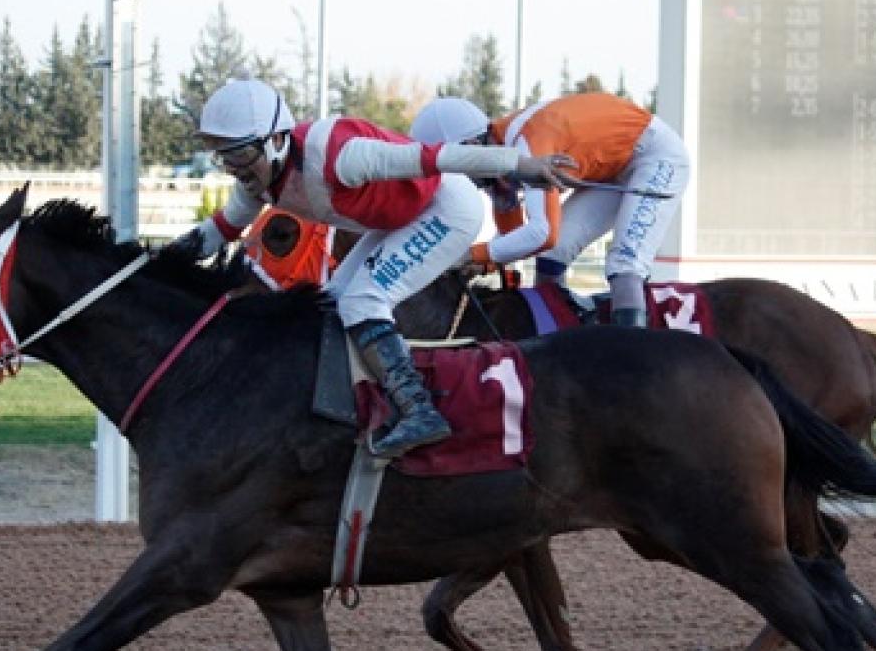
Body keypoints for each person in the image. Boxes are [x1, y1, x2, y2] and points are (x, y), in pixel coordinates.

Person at [168, 78, 573, 459]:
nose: (233, 167)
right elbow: (220, 230)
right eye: (224, 156)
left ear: (275, 140)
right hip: (400, 220)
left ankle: (420, 411)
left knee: (363, 300)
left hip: (448, 209)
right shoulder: (259, 178)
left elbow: (437, 156)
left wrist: (521, 164)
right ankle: (358, 404)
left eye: (239, 154)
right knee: (333, 301)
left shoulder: (340, 155)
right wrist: (152, 262)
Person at [410, 93, 691, 326]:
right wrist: (482, 261)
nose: (462, 181)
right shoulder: (498, 160)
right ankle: (554, 345)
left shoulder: (527, 145)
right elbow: (515, 238)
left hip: (655, 155)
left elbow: (542, 233)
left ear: (471, 146)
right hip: (615, 166)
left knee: (625, 263)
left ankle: (633, 362)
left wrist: (468, 255)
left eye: (457, 168)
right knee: (551, 256)